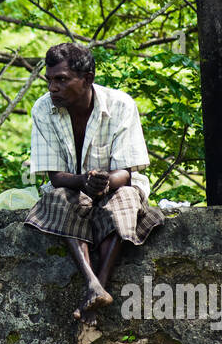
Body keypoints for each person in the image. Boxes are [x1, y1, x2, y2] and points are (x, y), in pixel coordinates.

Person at [25, 42, 164, 322]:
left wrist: (105, 182)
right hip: (72, 186)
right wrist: (84, 181)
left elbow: (125, 171)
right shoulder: (43, 109)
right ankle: (93, 284)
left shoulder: (121, 105)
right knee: (59, 197)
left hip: (117, 185)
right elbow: (55, 176)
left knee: (124, 200)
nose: (53, 88)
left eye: (61, 80)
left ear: (87, 79)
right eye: (49, 80)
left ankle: (97, 287)